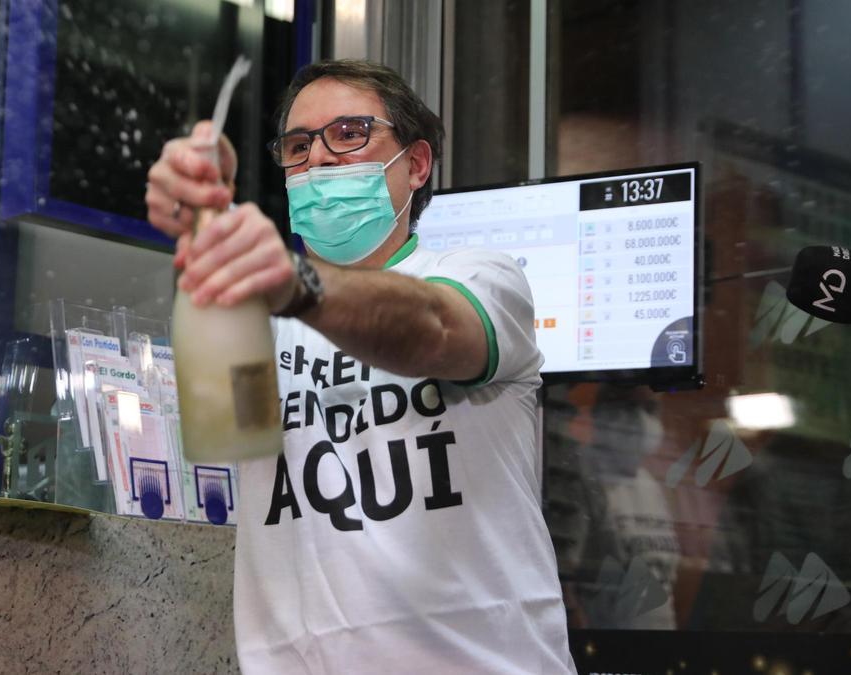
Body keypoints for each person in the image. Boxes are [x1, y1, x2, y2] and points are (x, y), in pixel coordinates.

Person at [145, 59, 574, 674]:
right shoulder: (259, 322)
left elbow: (432, 328)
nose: (319, 159)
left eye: (349, 134)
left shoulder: (484, 277)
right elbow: (220, 430)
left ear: (416, 165)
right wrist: (204, 216)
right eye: (298, 146)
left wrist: (294, 283)